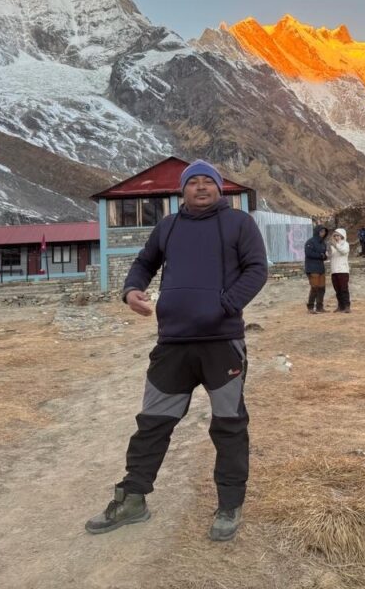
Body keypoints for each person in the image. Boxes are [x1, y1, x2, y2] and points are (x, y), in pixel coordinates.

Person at [85, 160, 267, 542]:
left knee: (229, 424)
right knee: (152, 422)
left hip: (222, 345)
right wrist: (131, 290)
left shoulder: (239, 223)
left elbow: (256, 270)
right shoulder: (168, 226)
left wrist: (224, 306)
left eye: (208, 182)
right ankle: (133, 498)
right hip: (172, 344)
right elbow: (144, 262)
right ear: (181, 191)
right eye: (193, 183)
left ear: (220, 189)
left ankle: (229, 504)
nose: (201, 188)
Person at [304, 224, 330, 312]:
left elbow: (325, 256)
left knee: (322, 288)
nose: (323, 233)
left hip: (320, 268)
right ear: (317, 231)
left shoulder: (323, 243)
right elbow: (309, 253)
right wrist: (321, 255)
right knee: (314, 287)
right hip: (312, 268)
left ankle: (320, 307)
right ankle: (310, 307)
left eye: (324, 232)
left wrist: (324, 256)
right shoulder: (310, 242)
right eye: (321, 231)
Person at [328, 228, 352, 313]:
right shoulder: (333, 246)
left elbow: (344, 251)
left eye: (338, 235)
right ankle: (340, 306)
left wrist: (336, 245)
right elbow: (330, 256)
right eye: (335, 236)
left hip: (343, 270)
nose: (336, 237)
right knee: (337, 289)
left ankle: (347, 306)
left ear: (342, 236)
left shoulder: (345, 244)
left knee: (343, 289)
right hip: (334, 270)